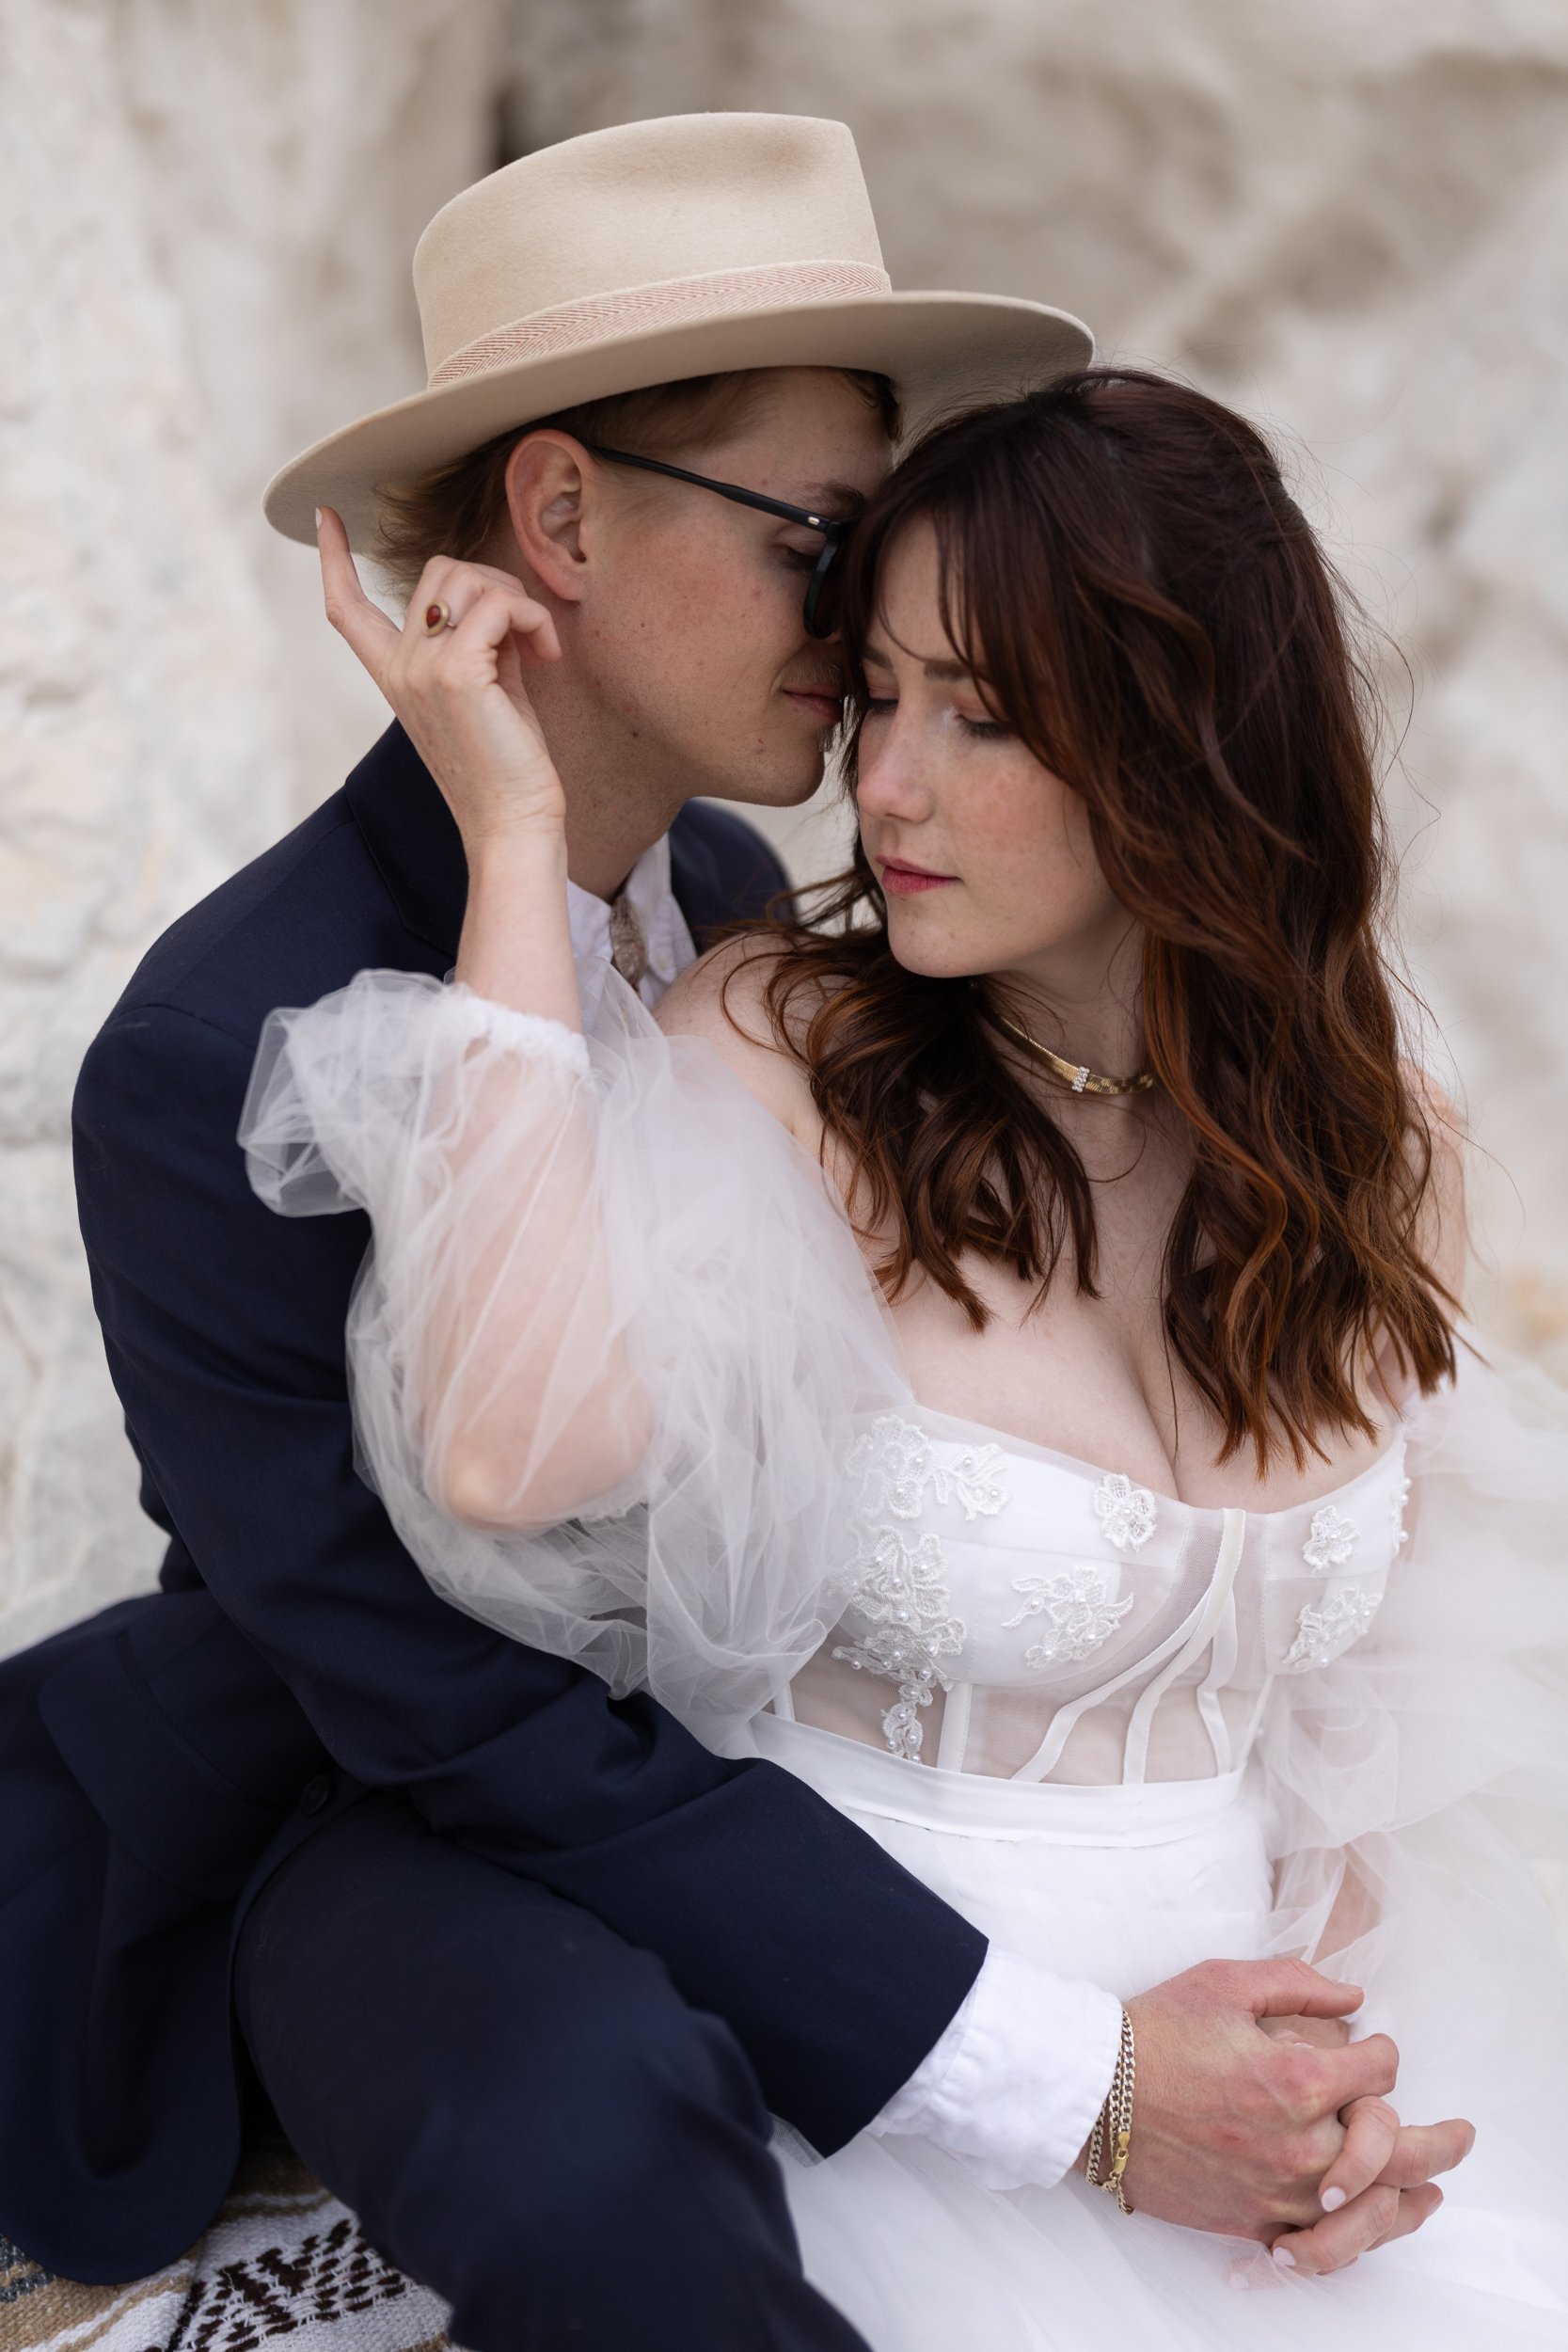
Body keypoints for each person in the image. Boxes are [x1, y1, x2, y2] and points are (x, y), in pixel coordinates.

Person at [0, 114, 1454, 2345]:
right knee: (598, 2135)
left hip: (787, 1763)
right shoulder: (216, 1040)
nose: (870, 642)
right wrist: (1061, 2076)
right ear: (564, 518)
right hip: (387, 1799)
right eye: (828, 544)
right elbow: (449, 1703)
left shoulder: (758, 911)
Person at [248, 364, 1568, 2347]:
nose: (885, 785)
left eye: (983, 714)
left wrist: (1345, 2093)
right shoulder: (788, 1047)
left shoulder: (1381, 1152)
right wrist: (513, 834)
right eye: (877, 696)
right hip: (877, 2087)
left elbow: (1357, 1731)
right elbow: (509, 1449)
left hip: (1256, 2117)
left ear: (1188, 740)